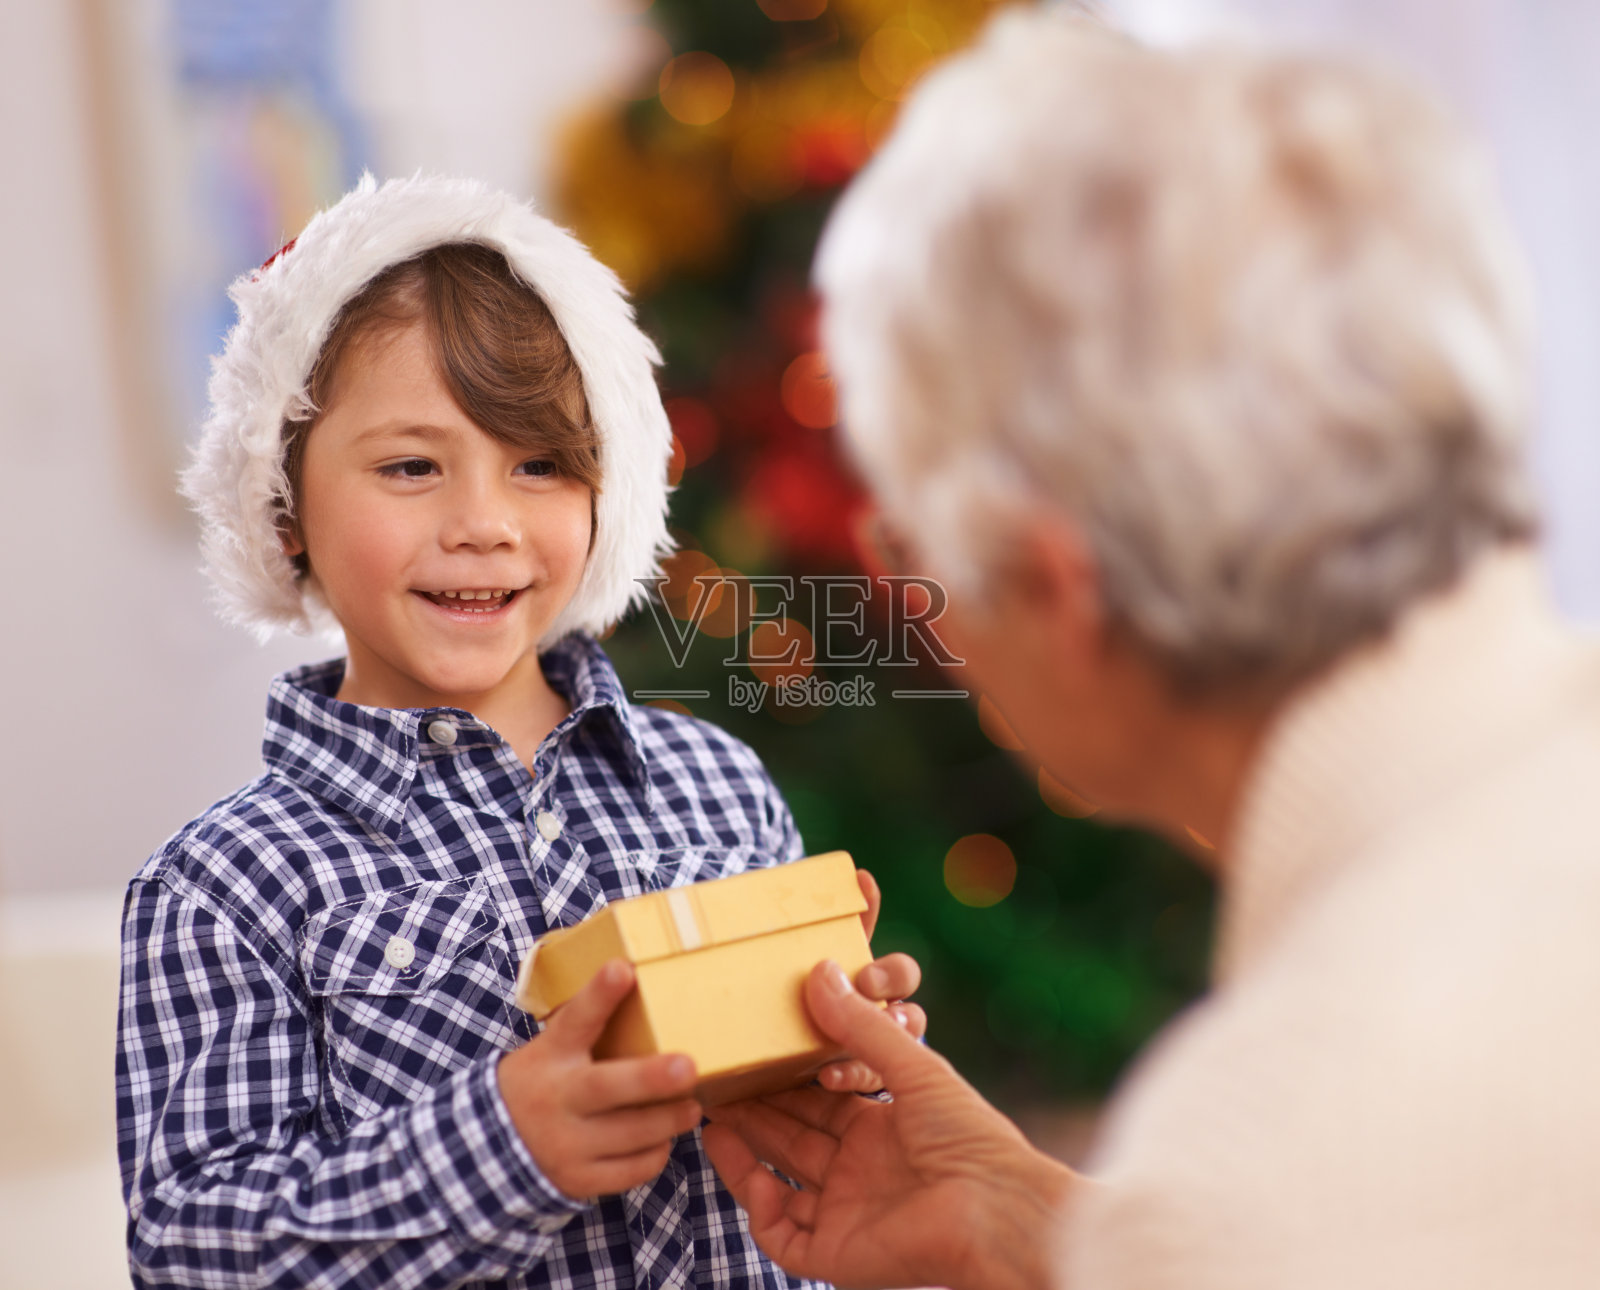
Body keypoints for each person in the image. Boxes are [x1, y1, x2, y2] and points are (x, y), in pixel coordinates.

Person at [702, 11, 1600, 1289]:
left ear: (1061, 592)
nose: (908, 602)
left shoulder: (1284, 1160)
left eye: (908, 546)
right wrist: (1057, 1230)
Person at [115, 174, 920, 1290]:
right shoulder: (225, 887)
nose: (484, 525)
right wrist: (499, 1150)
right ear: (284, 506)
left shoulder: (718, 786)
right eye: (410, 466)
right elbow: (194, 1249)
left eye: (540, 464)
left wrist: (846, 1062)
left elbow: (808, 1173)